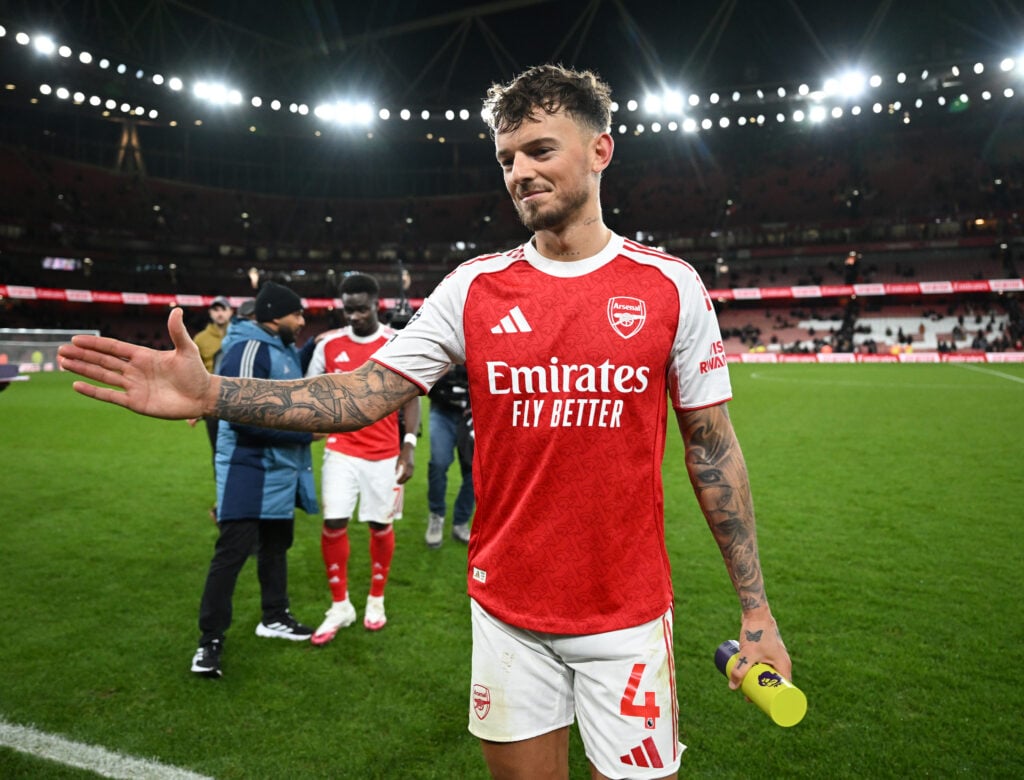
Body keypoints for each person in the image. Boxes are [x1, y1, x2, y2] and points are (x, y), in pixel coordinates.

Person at [59, 64, 792, 778]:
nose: (519, 173)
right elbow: (357, 394)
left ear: (601, 150)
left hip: (627, 617)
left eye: (540, 150)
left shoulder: (669, 287)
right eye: (507, 158)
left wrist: (754, 609)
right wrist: (214, 395)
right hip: (508, 615)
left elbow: (712, 449)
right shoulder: (473, 289)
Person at [192, 281, 320, 678]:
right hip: (249, 470)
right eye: (296, 314)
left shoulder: (280, 350)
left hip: (280, 469)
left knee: (276, 546)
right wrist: (307, 432)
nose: (301, 322)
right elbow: (245, 418)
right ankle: (208, 641)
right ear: (272, 315)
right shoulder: (248, 348)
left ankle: (275, 616)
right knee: (232, 554)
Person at [304, 273, 420, 643]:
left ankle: (375, 598)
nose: (354, 316)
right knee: (333, 522)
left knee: (379, 526)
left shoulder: (396, 343)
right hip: (341, 451)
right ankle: (340, 605)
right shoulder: (328, 346)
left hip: (385, 454)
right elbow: (311, 392)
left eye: (361, 308)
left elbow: (412, 396)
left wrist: (409, 445)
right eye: (348, 309)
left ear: (377, 305)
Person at [189, 295, 234, 518]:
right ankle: (223, 500)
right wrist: (194, 408)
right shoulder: (200, 339)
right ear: (210, 314)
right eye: (215, 309)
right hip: (213, 407)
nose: (219, 313)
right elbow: (193, 374)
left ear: (230, 312)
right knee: (220, 454)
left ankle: (236, 501)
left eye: (223, 309)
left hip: (238, 404)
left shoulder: (240, 334)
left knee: (241, 452)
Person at [424, 364, 475, 547]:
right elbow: (425, 379)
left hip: (473, 413)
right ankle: (436, 516)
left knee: (474, 471)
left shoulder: (485, 343)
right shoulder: (445, 340)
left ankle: (461, 521)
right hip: (442, 410)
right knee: (439, 463)